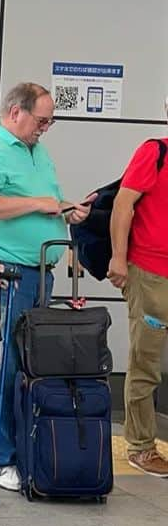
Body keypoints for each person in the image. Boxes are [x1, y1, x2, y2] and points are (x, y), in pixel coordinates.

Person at [0, 82, 90, 491]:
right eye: (41, 120)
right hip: (8, 277)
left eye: (50, 121)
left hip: (41, 274)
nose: (45, 127)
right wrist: (38, 205)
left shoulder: (38, 151)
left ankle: (18, 452)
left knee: (26, 369)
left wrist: (65, 212)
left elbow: (44, 200)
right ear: (15, 112)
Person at [108, 107, 168, 476]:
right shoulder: (154, 152)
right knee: (146, 362)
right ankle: (142, 446)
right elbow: (122, 204)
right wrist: (118, 257)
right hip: (150, 273)